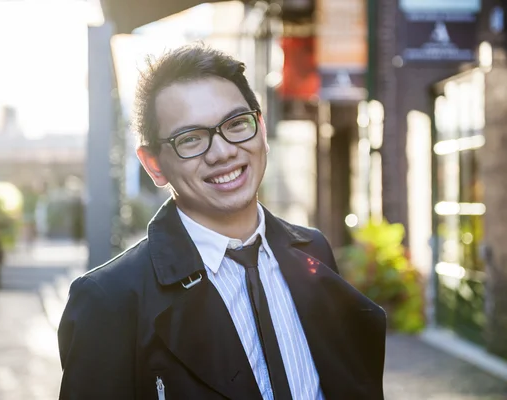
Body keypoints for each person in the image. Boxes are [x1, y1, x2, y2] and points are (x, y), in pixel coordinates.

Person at [58, 45, 386, 399]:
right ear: (154, 164)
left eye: (236, 124)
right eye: (191, 139)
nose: (223, 152)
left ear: (260, 129)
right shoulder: (110, 300)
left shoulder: (313, 251)